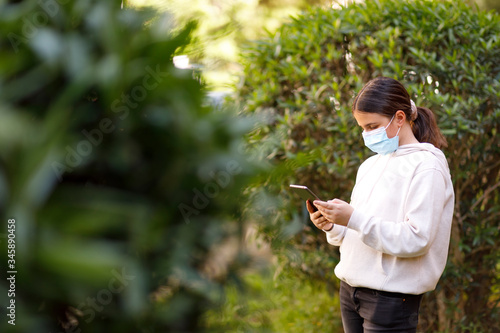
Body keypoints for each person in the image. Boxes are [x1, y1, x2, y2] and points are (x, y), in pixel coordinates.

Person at [307, 77, 454, 333]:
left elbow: (417, 239)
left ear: (399, 117)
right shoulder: (370, 165)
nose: (367, 134)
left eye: (372, 126)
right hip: (350, 291)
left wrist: (353, 218)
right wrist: (334, 226)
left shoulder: (427, 166)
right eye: (362, 128)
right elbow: (358, 233)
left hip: (390, 300)